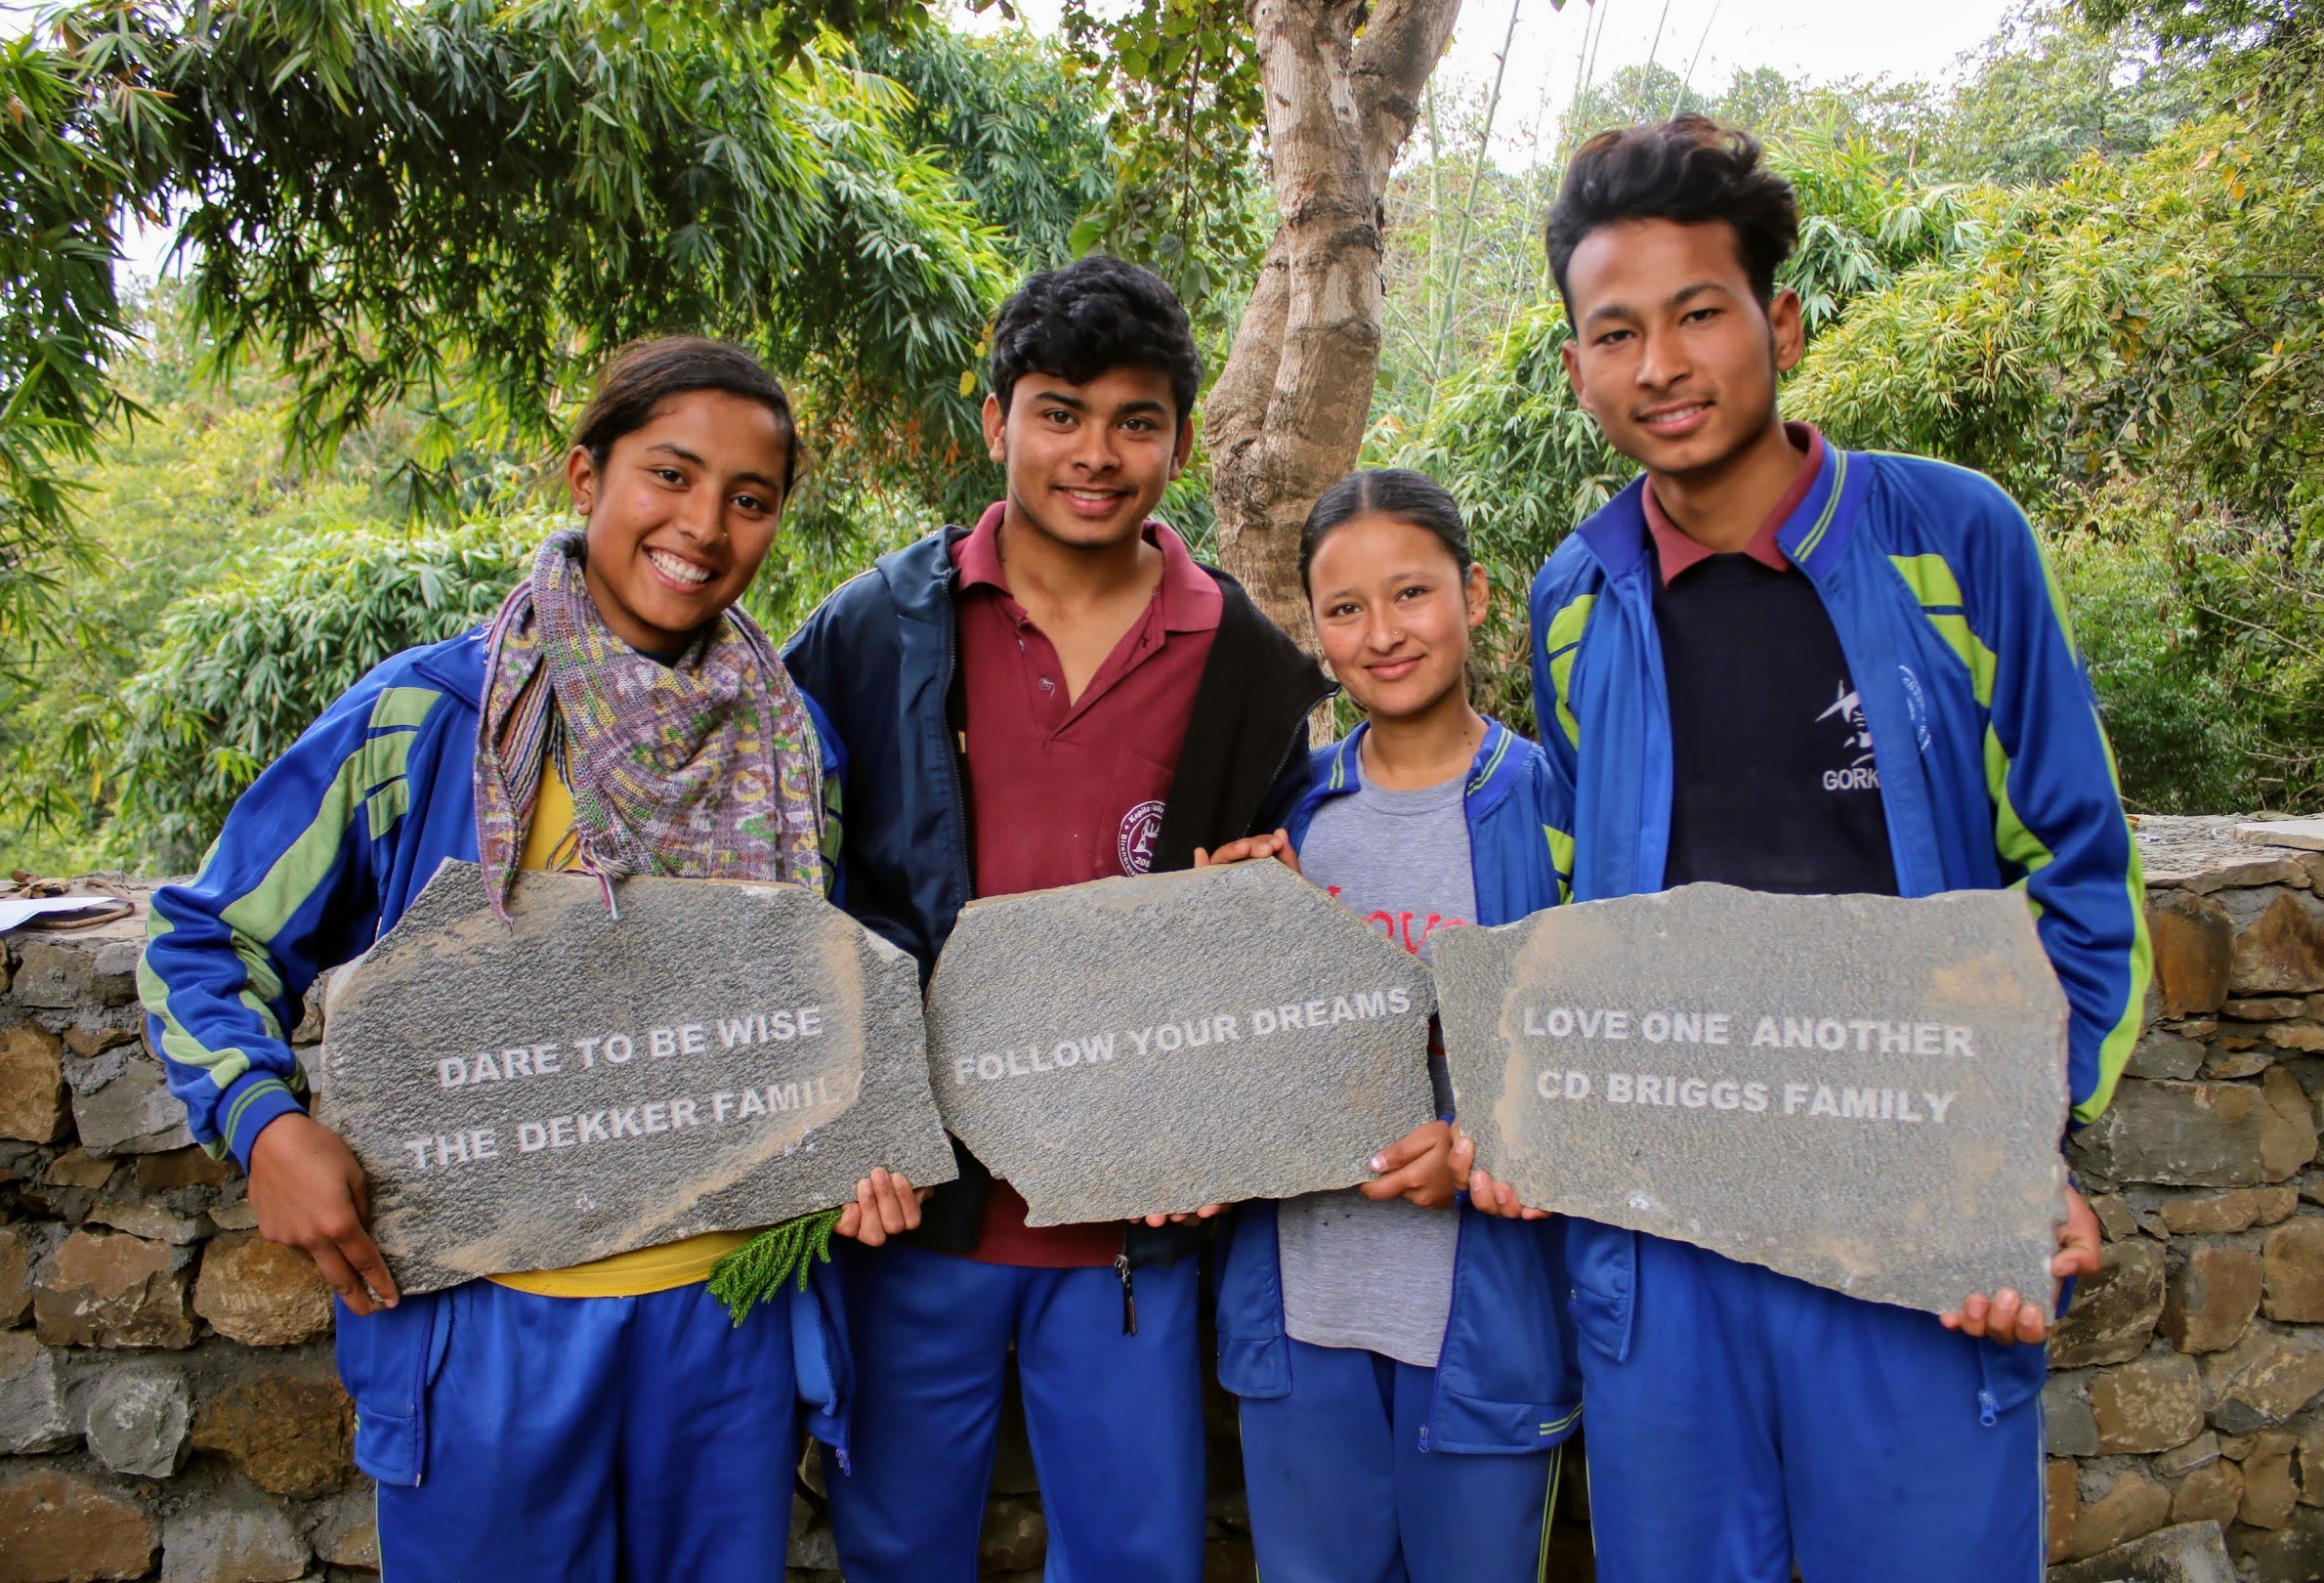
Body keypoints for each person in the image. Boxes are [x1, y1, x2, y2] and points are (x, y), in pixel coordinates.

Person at [1478, 116, 2146, 1580]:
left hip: (1908, 1210)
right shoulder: (1575, 597)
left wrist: (2017, 1146)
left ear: (1775, 321)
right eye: (1613, 332)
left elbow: (2078, 872)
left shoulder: (1950, 540)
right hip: (1665, 1235)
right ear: (1578, 364)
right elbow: (1581, 903)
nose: (1658, 364)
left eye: (1697, 313)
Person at [139, 337, 922, 1582]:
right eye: (670, 475)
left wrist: (859, 1140)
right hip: (491, 1316)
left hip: (722, 1323)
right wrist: (263, 1124)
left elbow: (817, 996)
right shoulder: (434, 719)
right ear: (585, 477)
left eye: (750, 499)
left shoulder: (793, 748)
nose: (705, 525)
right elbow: (203, 938)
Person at [782, 255, 1331, 1582]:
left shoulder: (1248, 671)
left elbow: (1284, 942)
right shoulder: (874, 630)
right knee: (897, 1548)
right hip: (913, 1218)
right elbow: (781, 892)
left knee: (1136, 1558)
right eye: (1059, 412)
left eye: (1135, 420)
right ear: (996, 422)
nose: (1096, 453)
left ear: (1181, 443)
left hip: (1133, 1236)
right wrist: (828, 1125)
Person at [1204, 468, 1581, 1583]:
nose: (1382, 634)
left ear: (1474, 595)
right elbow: (1224, 1053)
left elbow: (1616, 1058)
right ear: (1315, 628)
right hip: (1302, 1307)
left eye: (1411, 594)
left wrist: (1482, 1154)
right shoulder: (1285, 821)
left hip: (1487, 1329)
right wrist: (1227, 925)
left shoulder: (1557, 806)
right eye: (1346, 609)